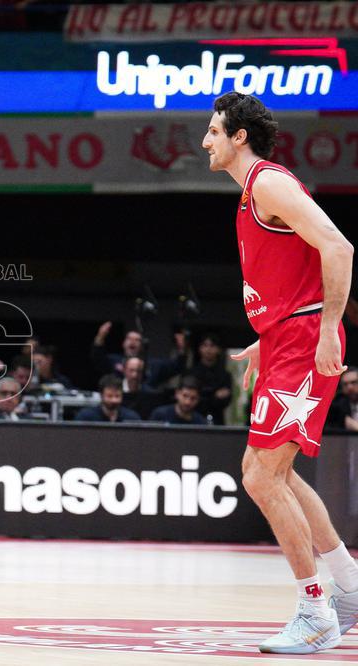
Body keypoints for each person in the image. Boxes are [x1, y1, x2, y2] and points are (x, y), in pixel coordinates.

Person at [203, 91, 356, 654]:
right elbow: (295, 275)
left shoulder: (269, 183)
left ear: (239, 136)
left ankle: (316, 610)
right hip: (286, 338)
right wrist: (267, 338)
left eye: (215, 130)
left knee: (261, 476)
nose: (206, 140)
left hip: (304, 339)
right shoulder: (251, 195)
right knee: (278, 475)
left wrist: (321, 331)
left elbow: (339, 248)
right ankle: (347, 584)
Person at [189, 333, 234, 425]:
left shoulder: (225, 375)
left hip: (217, 419)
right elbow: (191, 397)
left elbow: (226, 399)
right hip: (194, 418)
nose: (208, 349)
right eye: (205, 345)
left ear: (218, 349)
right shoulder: (191, 372)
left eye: (212, 346)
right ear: (200, 348)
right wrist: (214, 396)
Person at [74, 375, 141, 423]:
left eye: (117, 396)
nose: (114, 400)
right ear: (101, 395)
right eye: (109, 396)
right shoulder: (86, 417)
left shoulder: (132, 418)